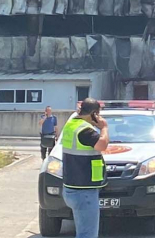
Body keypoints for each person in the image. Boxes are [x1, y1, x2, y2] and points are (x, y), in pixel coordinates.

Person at [59, 98, 109, 238]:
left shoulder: (71, 124)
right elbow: (102, 145)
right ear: (93, 114)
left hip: (71, 187)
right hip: (84, 191)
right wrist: (104, 128)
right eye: (97, 114)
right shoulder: (84, 130)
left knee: (83, 232)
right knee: (87, 234)